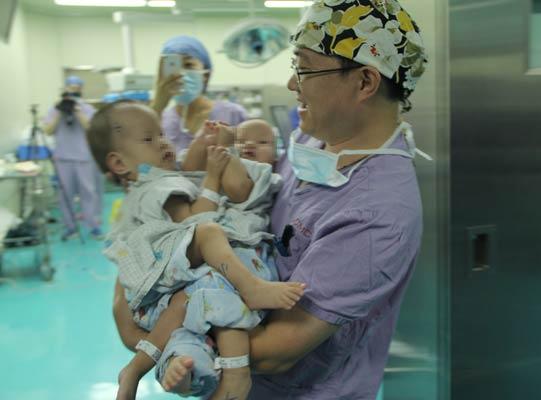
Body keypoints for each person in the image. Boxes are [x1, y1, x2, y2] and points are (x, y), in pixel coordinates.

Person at [114, 0, 429, 398]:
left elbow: (277, 350)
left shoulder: (378, 213)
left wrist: (142, 331)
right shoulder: (314, 144)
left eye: (304, 68)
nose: (292, 84)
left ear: (365, 82)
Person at [86, 101, 304, 400]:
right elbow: (195, 219)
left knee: (188, 318)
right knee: (210, 234)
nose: (163, 142)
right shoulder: (158, 186)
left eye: (161, 134)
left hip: (160, 283)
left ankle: (163, 370)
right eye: (149, 139)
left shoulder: (154, 179)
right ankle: (251, 289)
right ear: (119, 163)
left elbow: (188, 168)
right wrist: (214, 175)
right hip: (165, 260)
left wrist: (203, 141)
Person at [152, 35, 248, 154]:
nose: (180, 74)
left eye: (188, 65)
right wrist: (157, 105)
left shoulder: (233, 114)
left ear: (206, 74)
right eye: (173, 66)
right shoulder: (159, 120)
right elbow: (141, 161)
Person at [43, 75, 104, 240]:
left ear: (81, 90)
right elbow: (48, 131)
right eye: (70, 88)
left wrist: (77, 110)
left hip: (84, 158)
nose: (73, 90)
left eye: (76, 88)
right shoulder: (55, 109)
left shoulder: (87, 108)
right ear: (65, 89)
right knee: (65, 195)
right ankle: (70, 227)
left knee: (88, 193)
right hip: (63, 158)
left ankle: (93, 226)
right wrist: (59, 112)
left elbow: (90, 128)